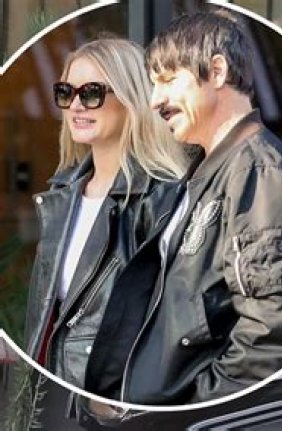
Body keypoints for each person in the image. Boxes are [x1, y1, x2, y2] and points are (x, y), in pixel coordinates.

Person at [84, 10, 282, 405]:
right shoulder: (215, 167)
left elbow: (274, 337)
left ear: (217, 71)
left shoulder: (257, 172)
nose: (155, 100)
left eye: (167, 80)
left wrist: (193, 405)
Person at [24, 37, 187, 389]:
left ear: (131, 99)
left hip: (112, 399)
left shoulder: (163, 198)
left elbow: (174, 326)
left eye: (92, 93)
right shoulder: (62, 196)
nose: (76, 105)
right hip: (49, 395)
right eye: (66, 92)